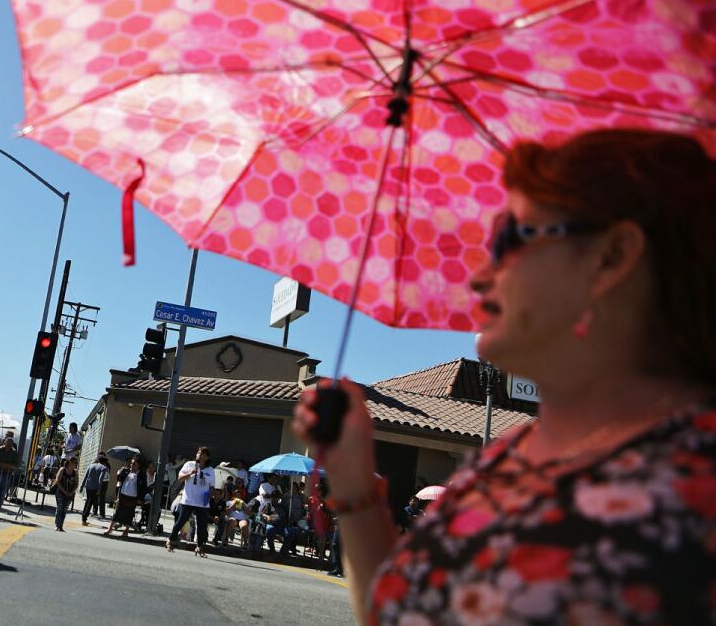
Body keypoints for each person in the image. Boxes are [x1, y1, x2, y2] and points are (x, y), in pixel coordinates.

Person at [293, 128, 716, 623]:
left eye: (512, 237)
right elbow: (400, 612)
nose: (478, 275)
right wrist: (351, 477)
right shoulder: (504, 458)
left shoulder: (693, 491)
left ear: (612, 256)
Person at [166, 446, 215, 556]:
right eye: (198, 452)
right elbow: (180, 478)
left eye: (202, 453)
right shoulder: (189, 465)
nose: (199, 454)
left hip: (202, 502)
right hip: (188, 500)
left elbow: (212, 486)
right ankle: (170, 540)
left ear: (207, 457)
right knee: (180, 522)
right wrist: (190, 473)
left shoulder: (210, 470)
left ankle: (199, 547)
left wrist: (210, 495)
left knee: (202, 526)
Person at [105, 457, 146, 537]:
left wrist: (141, 499)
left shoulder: (141, 475)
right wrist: (120, 472)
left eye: (134, 463)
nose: (131, 465)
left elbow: (143, 488)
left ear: (138, 465)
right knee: (117, 512)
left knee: (129, 514)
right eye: (131, 463)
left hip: (133, 497)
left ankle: (126, 531)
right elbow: (119, 479)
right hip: (123, 495)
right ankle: (110, 528)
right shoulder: (126, 471)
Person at [0, 434, 20, 519]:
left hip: (8, 474)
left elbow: (16, 466)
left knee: (2, 494)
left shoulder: (14, 453)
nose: (9, 446)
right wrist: (5, 465)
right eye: (7, 444)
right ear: (4, 443)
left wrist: (5, 465)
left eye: (10, 444)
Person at [79, 453, 109, 526]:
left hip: (88, 486)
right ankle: (84, 519)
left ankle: (83, 517)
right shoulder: (104, 468)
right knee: (90, 503)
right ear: (104, 462)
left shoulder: (90, 466)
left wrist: (82, 486)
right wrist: (99, 488)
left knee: (87, 502)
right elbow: (100, 479)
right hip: (95, 488)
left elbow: (86, 476)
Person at [51, 457, 78, 532]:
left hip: (70, 494)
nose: (76, 464)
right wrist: (64, 491)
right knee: (60, 508)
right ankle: (57, 525)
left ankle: (61, 526)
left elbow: (76, 484)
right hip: (60, 492)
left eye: (76, 463)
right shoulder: (63, 469)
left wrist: (71, 492)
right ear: (70, 462)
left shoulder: (75, 472)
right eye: (74, 462)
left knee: (64, 510)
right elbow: (57, 481)